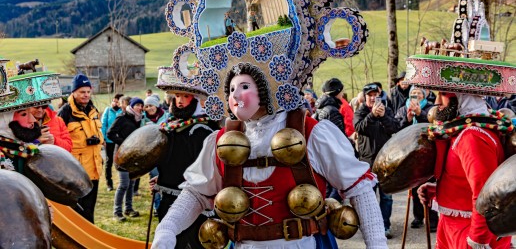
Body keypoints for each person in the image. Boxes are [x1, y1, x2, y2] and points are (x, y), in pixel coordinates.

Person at [152, 63, 387, 248]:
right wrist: (167, 229)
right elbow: (196, 193)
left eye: (244, 87)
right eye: (231, 89)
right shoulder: (222, 140)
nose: (235, 96)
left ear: (266, 89)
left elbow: (359, 188)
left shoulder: (312, 132)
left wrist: (377, 245)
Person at [417, 92, 511, 248]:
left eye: (443, 94)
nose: (438, 101)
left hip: (467, 233)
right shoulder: (463, 130)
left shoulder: (472, 136)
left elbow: (485, 194)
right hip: (456, 228)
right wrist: (437, 190)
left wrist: (477, 240)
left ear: (462, 97)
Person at [148, 84, 219, 247]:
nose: (180, 101)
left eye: (185, 96)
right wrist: (164, 178)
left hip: (192, 203)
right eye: (177, 96)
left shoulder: (202, 130)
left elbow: (204, 169)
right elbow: (175, 162)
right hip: (167, 198)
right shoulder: (170, 126)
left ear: (196, 99)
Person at [354, 82, 400, 239]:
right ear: (365, 97)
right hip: (367, 161)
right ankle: (371, 228)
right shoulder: (360, 111)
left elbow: (395, 127)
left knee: (387, 196)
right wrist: (372, 115)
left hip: (386, 160)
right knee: (369, 197)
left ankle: (385, 225)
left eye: (376, 95)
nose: (374, 98)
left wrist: (383, 117)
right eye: (370, 95)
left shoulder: (386, 110)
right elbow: (359, 128)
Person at [58, 73, 104, 223]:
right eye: (82, 92)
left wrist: (98, 140)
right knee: (77, 213)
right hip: (75, 172)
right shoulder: (65, 112)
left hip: (94, 170)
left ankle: (91, 242)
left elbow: (100, 134)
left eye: (88, 92)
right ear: (73, 92)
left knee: (90, 210)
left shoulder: (93, 111)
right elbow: (58, 141)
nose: (86, 95)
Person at [394, 86, 438, 231]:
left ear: (424, 95)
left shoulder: (431, 108)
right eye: (413, 93)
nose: (416, 95)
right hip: (410, 153)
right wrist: (407, 119)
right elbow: (396, 129)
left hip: (427, 152)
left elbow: (434, 125)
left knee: (428, 184)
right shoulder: (402, 109)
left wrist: (420, 114)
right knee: (414, 187)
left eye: (419, 93)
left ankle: (431, 219)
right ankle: (418, 216)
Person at [107, 97, 144, 221]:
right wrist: (125, 143)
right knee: (124, 184)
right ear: (132, 106)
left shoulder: (139, 120)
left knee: (131, 183)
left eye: (141, 105)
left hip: (133, 156)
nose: (140, 107)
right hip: (121, 155)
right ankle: (117, 212)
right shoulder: (122, 118)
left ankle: (128, 208)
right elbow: (110, 133)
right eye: (137, 105)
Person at [101, 93, 124, 192]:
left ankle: (123, 182)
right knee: (109, 161)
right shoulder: (107, 110)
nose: (114, 103)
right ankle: (109, 183)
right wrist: (103, 139)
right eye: (113, 101)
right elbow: (103, 125)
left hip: (119, 140)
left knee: (121, 161)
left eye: (116, 101)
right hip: (109, 140)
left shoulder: (122, 112)